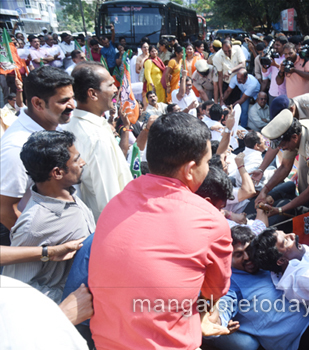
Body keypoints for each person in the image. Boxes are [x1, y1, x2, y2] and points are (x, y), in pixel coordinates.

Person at [89, 112, 232, 350]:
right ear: (190, 169)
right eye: (207, 162)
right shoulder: (209, 220)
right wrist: (203, 317)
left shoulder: (116, 202)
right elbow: (213, 292)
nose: (208, 169)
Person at [203, 226, 309, 350]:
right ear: (227, 258)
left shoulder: (266, 261)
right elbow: (222, 307)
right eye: (238, 255)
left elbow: (301, 256)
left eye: (249, 251)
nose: (247, 257)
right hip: (300, 337)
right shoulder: (230, 284)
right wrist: (216, 321)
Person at [2, 130, 95, 303]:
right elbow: (18, 289)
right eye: (76, 160)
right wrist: (68, 300)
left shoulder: (70, 196)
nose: (83, 163)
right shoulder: (34, 225)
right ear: (57, 173)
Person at [0, 67, 74, 232]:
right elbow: (5, 210)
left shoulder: (55, 125)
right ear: (38, 103)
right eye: (63, 101)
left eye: (72, 98)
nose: (72, 106)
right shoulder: (17, 147)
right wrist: (43, 245)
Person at [62, 62, 133, 221]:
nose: (115, 89)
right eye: (110, 85)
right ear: (93, 94)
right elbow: (109, 199)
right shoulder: (95, 137)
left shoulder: (74, 125)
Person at [213, 39, 246, 105]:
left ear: (232, 47)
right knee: (226, 105)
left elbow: (243, 64)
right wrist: (221, 93)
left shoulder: (237, 49)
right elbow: (220, 76)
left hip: (239, 83)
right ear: (222, 49)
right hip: (226, 84)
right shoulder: (217, 57)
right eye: (225, 51)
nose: (227, 53)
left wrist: (230, 71)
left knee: (237, 105)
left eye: (229, 50)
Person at [262, 36, 288, 105]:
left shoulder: (288, 57)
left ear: (284, 45)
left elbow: (288, 71)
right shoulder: (273, 56)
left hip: (285, 93)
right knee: (272, 115)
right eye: (275, 45)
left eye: (278, 45)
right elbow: (265, 74)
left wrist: (276, 65)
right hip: (273, 92)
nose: (275, 47)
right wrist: (264, 63)